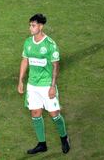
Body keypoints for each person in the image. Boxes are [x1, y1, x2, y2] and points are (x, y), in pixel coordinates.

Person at [17, 14, 70, 154]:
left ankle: (64, 139)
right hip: (32, 85)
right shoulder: (28, 42)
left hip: (46, 85)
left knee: (54, 114)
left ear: (41, 26)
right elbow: (25, 60)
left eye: (33, 25)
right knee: (35, 113)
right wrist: (20, 80)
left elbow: (55, 66)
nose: (30, 28)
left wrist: (52, 86)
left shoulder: (50, 45)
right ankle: (42, 144)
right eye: (30, 25)